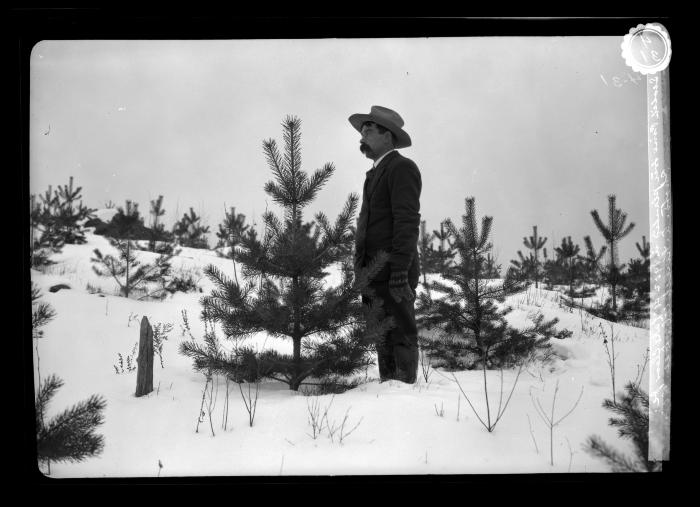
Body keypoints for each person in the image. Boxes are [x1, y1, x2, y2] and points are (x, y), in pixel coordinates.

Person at [349, 105, 422, 384]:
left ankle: (404, 396)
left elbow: (407, 221)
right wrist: (361, 269)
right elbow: (365, 226)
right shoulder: (372, 175)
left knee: (401, 334)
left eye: (369, 130)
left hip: (394, 272)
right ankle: (388, 395)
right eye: (362, 130)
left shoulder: (402, 167)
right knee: (381, 335)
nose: (362, 135)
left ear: (388, 136)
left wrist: (400, 271)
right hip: (373, 273)